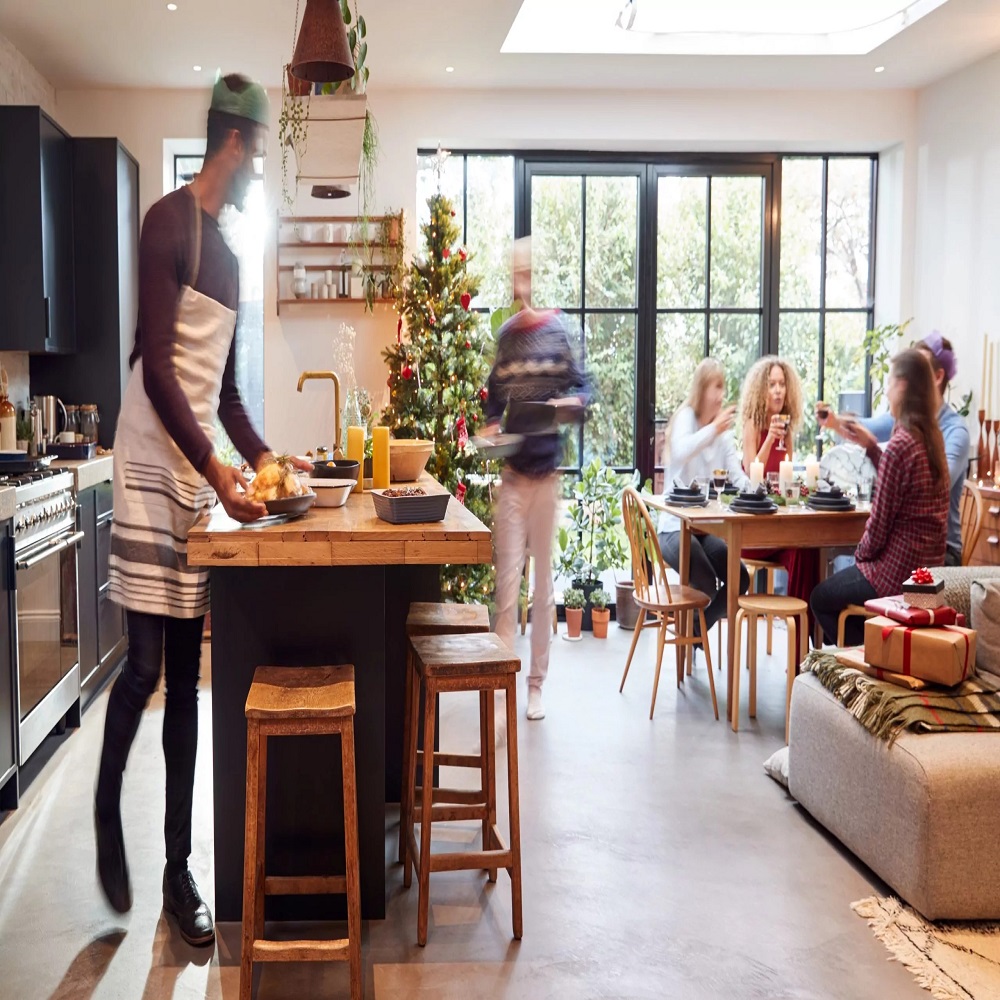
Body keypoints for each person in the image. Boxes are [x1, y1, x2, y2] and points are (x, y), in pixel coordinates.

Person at [96, 75, 308, 945]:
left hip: (197, 472)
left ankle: (177, 872)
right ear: (234, 142)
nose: (261, 169)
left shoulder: (227, 253)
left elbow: (224, 394)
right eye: (258, 152)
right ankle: (107, 805)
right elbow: (154, 373)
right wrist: (220, 472)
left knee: (188, 677)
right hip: (151, 460)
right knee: (143, 668)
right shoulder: (167, 224)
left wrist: (262, 459)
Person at [485, 238, 590, 723]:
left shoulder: (558, 331)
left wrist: (572, 405)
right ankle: (505, 684)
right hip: (512, 477)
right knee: (507, 588)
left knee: (543, 588)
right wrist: (489, 427)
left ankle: (536, 686)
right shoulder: (507, 335)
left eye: (526, 270)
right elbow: (492, 398)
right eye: (515, 271)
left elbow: (582, 387)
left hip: (547, 479)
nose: (519, 278)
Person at [811, 349, 950, 645]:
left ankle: (867, 654)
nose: (886, 391)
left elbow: (879, 525)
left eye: (888, 383)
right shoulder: (931, 437)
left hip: (895, 574)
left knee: (820, 598)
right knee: (843, 584)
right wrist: (873, 448)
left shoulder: (901, 444)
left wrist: (859, 558)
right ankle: (876, 646)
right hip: (927, 572)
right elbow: (901, 484)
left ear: (902, 386)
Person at [817, 331, 969, 566]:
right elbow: (872, 427)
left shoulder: (953, 431)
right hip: (907, 543)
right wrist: (836, 423)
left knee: (849, 565)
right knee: (843, 560)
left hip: (941, 550)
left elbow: (932, 483)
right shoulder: (907, 423)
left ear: (937, 377)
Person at [657, 358, 750, 632]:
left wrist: (762, 489)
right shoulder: (688, 417)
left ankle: (695, 634)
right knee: (707, 580)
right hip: (673, 529)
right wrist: (714, 429)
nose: (722, 395)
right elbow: (683, 450)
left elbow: (738, 476)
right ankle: (692, 637)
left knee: (739, 578)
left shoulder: (721, 434)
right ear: (702, 389)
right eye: (716, 387)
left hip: (701, 530)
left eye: (724, 387)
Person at [739, 355, 819, 623]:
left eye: (782, 384)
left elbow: (785, 480)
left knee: (807, 550)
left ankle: (801, 640)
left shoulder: (787, 427)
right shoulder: (753, 422)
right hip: (752, 532)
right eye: (771, 384)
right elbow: (753, 475)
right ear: (761, 390)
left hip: (779, 528)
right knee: (803, 549)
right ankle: (801, 638)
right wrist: (770, 439)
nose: (777, 390)